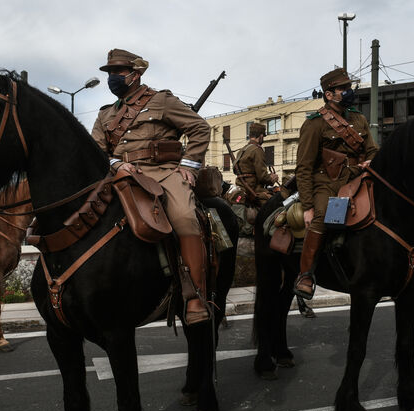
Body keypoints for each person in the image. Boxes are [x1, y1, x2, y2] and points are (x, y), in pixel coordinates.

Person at [91, 48, 212, 325]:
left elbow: (199, 129)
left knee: (183, 217)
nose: (112, 78)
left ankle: (194, 293)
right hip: (120, 176)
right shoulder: (105, 114)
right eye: (109, 73)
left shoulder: (162, 101)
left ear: (135, 74)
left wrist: (189, 166)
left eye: (117, 73)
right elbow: (96, 150)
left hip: (162, 173)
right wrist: (115, 165)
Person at [292, 68, 379, 299]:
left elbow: (371, 149)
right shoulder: (315, 123)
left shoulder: (358, 119)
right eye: (344, 89)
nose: (349, 92)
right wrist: (308, 206)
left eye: (349, 87)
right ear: (329, 95)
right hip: (327, 183)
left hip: (359, 180)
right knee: (322, 215)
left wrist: (370, 159)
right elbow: (304, 167)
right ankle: (306, 274)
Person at [235, 122, 278, 207]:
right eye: (263, 137)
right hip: (253, 190)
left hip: (240, 189)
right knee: (277, 201)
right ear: (261, 136)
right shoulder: (257, 150)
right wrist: (272, 178)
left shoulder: (242, 150)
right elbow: (262, 177)